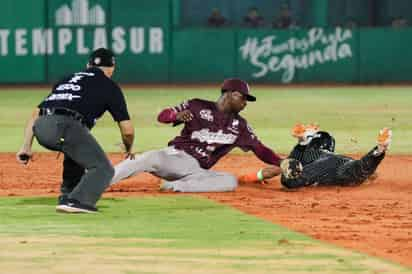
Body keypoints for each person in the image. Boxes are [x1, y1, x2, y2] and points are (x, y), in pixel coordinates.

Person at [110, 78, 286, 192]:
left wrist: (281, 162)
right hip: (176, 158)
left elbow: (260, 149)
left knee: (229, 181)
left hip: (196, 171)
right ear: (232, 94)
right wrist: (175, 116)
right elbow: (162, 116)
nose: (245, 103)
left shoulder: (240, 125)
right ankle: (99, 181)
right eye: (243, 98)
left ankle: (176, 187)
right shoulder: (197, 106)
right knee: (147, 158)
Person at [16, 48, 134, 213]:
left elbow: (37, 112)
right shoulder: (110, 86)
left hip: (41, 127)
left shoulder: (66, 79)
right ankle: (77, 201)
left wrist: (26, 146)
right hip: (66, 126)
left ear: (88, 65)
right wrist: (128, 147)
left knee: (76, 150)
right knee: (103, 169)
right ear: (112, 69)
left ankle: (68, 195)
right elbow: (127, 130)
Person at [239, 124, 392, 189]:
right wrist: (367, 176)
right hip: (344, 166)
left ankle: (303, 140)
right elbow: (370, 173)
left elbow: (275, 169)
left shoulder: (310, 155)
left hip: (320, 168)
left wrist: (253, 177)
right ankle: (378, 150)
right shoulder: (338, 156)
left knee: (290, 181)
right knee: (357, 171)